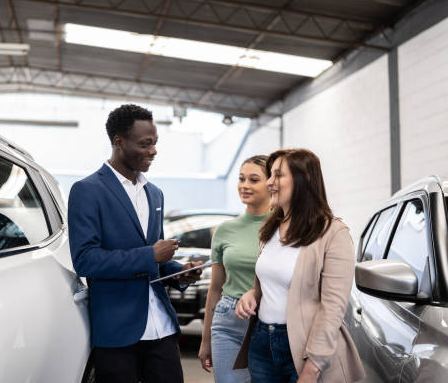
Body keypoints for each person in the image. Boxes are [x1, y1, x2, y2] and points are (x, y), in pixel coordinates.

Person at [68, 104, 202, 383]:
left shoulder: (155, 194)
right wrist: (150, 255)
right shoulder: (87, 191)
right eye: (145, 143)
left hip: (162, 328)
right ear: (119, 142)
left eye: (155, 143)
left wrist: (179, 272)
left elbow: (155, 260)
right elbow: (85, 260)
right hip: (118, 331)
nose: (153, 150)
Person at [234, 149, 364, 383]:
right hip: (262, 340)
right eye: (270, 175)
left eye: (278, 175)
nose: (270, 182)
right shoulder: (270, 228)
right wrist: (253, 293)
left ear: (304, 180)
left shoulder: (333, 233)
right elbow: (276, 281)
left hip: (305, 348)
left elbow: (332, 309)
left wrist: (313, 368)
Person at [198, 155, 271, 383]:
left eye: (254, 179)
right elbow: (216, 287)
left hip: (270, 320)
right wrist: (206, 340)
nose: (245, 185)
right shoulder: (224, 230)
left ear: (271, 184)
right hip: (228, 320)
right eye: (241, 179)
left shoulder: (285, 228)